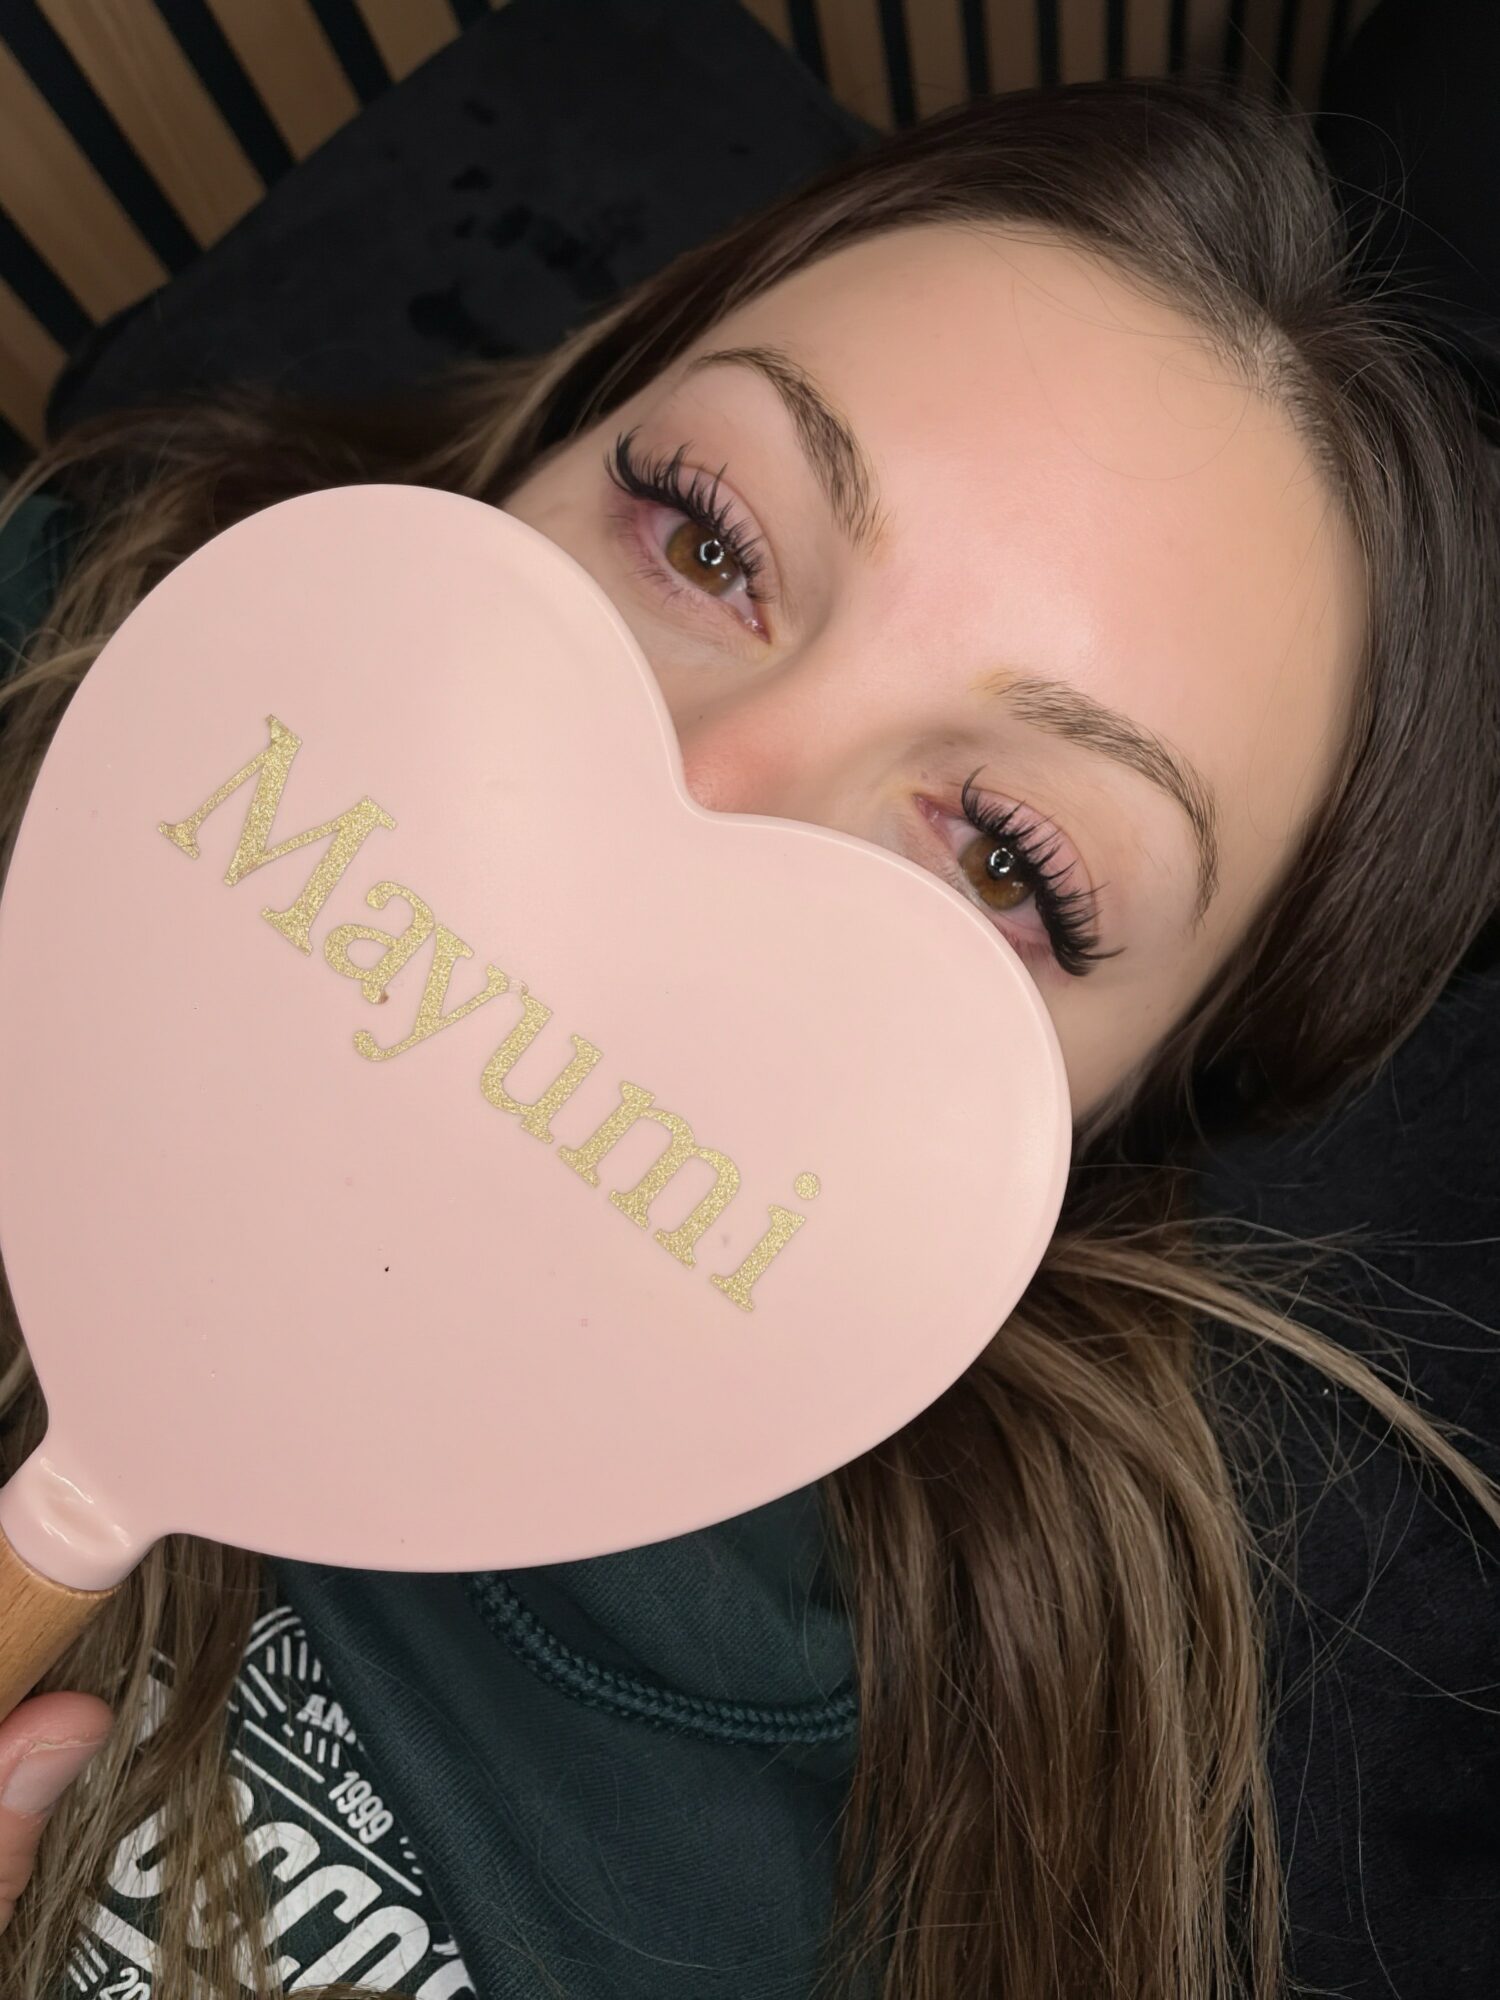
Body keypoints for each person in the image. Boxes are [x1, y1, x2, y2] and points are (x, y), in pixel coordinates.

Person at [0, 70, 1497, 2000]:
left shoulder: (922, 1875)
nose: (693, 819)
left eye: (1010, 865)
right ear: (549, 445)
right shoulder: (57, 685)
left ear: (1106, 1136)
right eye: (707, 540)